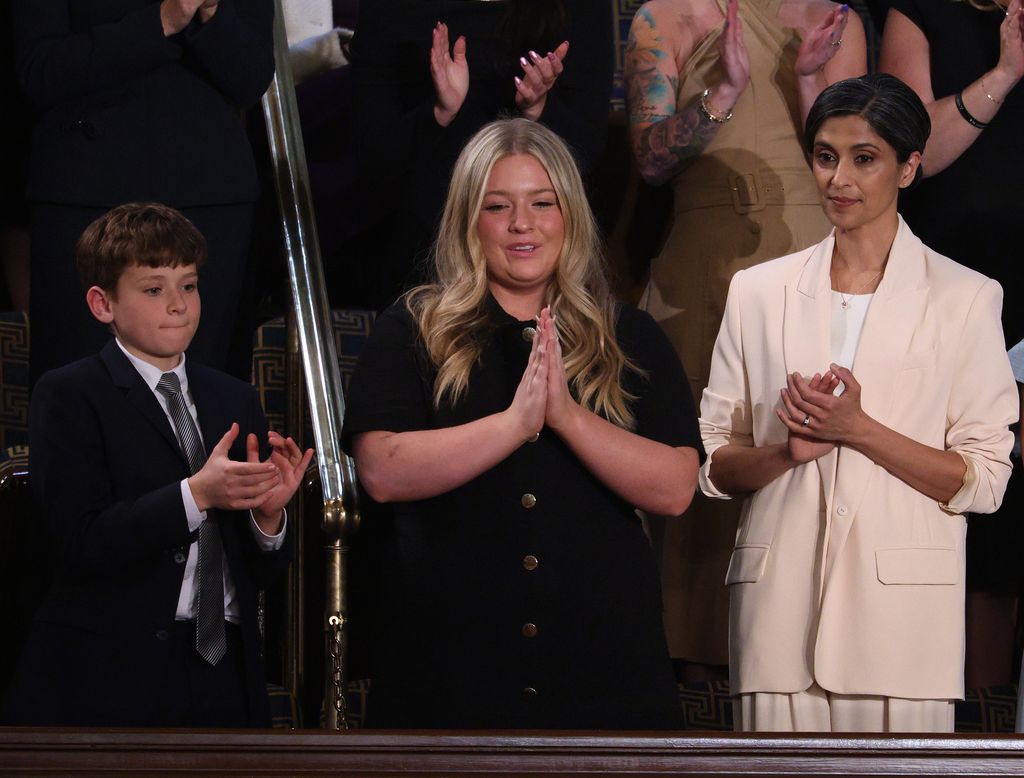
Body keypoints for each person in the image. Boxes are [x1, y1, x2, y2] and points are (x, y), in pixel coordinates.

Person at [341, 118, 702, 729]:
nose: (522, 225)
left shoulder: (629, 334)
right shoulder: (412, 328)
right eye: (498, 206)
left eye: (542, 203)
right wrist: (513, 424)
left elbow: (674, 487)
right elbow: (381, 470)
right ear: (468, 219)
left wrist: (564, 416)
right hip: (450, 667)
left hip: (601, 667)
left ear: (571, 215)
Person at [699, 74, 1017, 732]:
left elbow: (985, 481)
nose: (839, 178)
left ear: (909, 167)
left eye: (864, 158)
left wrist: (860, 430)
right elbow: (715, 464)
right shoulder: (757, 292)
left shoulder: (966, 298)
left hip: (902, 633)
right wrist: (788, 453)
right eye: (825, 155)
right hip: (777, 623)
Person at [624, 0, 867, 676]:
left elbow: (859, 169)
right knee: (709, 453)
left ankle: (806, 659)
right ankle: (688, 668)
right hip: (706, 265)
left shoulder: (832, 16)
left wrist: (813, 83)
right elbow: (649, 159)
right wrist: (722, 93)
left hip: (815, 255)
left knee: (810, 455)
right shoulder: (665, 15)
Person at [1, 203, 313, 727]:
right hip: (114, 671)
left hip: (223, 668)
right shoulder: (70, 394)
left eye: (188, 286)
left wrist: (267, 519)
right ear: (103, 304)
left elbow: (255, 572)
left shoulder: (233, 397)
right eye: (153, 289)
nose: (178, 305)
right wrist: (197, 495)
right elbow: (80, 541)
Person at [13, 0, 275, 383]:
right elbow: (40, 71)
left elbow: (251, 79)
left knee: (203, 395)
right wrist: (161, 21)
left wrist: (211, 14)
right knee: (82, 391)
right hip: (86, 194)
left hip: (208, 196)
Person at [879, 0, 1024, 691]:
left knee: (1009, 534)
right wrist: (1004, 72)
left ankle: (997, 728)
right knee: (953, 506)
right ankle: (946, 726)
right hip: (949, 293)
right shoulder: (923, 14)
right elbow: (912, 152)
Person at [348, 0, 613, 310]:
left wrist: (540, 111)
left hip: (541, 252)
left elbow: (589, 149)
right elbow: (374, 158)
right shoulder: (392, 11)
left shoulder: (578, 9)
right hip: (426, 241)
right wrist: (439, 113)